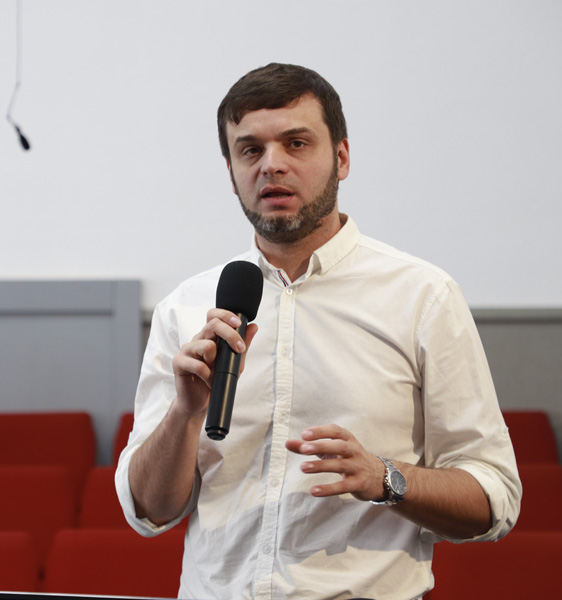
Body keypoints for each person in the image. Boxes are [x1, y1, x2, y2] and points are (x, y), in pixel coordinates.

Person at [116, 62, 521, 600]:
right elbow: (148, 512)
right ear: (231, 171)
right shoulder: (185, 308)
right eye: (250, 150)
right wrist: (184, 414)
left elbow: (493, 499)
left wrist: (385, 478)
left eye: (297, 143)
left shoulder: (423, 297)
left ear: (342, 158)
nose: (272, 165)